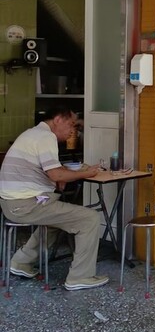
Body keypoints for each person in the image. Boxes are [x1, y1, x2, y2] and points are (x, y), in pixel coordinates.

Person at [0, 106, 108, 291]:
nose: (72, 131)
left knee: (58, 220)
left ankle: (21, 262)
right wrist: (86, 173)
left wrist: (64, 175)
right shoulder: (45, 137)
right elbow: (56, 174)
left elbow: (53, 171)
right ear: (58, 119)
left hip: (13, 203)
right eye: (71, 124)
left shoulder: (33, 134)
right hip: (26, 204)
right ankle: (80, 277)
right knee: (89, 217)